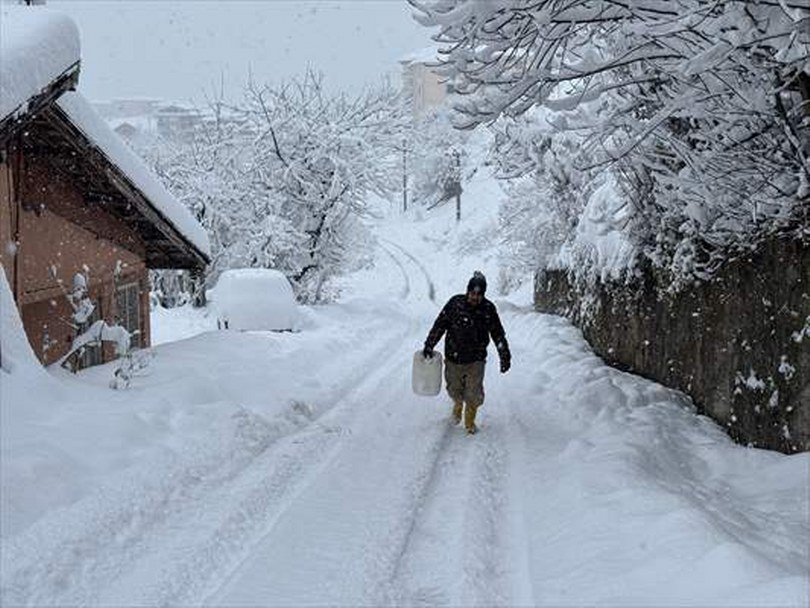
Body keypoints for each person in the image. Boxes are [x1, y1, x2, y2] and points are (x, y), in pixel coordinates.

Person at [422, 271, 511, 434]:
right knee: (453, 389)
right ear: (467, 291)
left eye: (479, 294)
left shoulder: (488, 309)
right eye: (472, 293)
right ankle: (457, 404)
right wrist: (429, 344)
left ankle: (469, 421)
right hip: (453, 356)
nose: (475, 297)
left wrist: (504, 355)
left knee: (474, 392)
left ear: (483, 295)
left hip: (476, 359)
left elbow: (498, 333)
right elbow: (440, 325)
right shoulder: (455, 304)